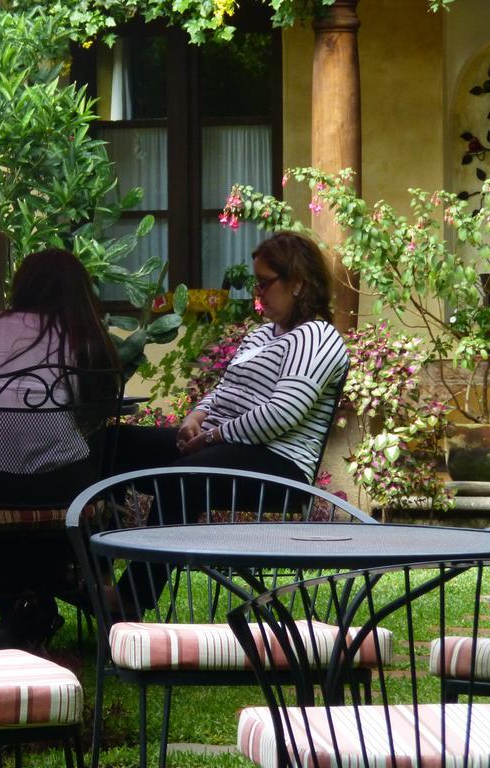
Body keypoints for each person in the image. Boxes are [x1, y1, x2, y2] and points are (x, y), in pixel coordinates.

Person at [114, 231, 349, 606]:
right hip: (222, 446)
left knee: (183, 479)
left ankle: (127, 600)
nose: (258, 294)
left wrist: (209, 438)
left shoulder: (317, 337)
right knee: (113, 446)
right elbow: (224, 391)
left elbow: (281, 413)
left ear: (299, 283)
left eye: (265, 283)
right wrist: (196, 416)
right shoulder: (259, 336)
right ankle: (85, 570)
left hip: (278, 465)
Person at [0, 248, 120, 649]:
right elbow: (97, 415)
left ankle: (23, 605)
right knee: (72, 483)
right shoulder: (84, 334)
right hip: (67, 490)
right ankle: (62, 588)